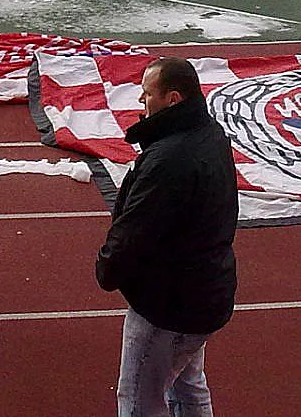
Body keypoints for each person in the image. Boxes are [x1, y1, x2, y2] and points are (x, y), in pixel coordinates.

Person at [97, 57, 238, 417]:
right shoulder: (209, 134)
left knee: (140, 402)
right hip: (203, 292)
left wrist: (107, 269)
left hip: (167, 305)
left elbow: (135, 230)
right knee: (188, 386)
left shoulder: (169, 160)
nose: (141, 102)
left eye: (147, 95)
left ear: (172, 99)